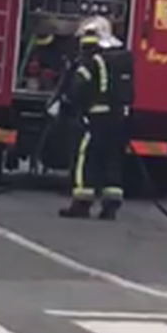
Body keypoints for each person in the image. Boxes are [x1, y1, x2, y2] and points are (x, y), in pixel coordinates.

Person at [57, 15, 132, 221]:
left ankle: (82, 203)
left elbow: (78, 87)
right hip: (119, 118)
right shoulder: (123, 59)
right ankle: (111, 205)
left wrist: (70, 103)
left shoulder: (90, 61)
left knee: (86, 158)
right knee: (113, 159)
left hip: (95, 119)